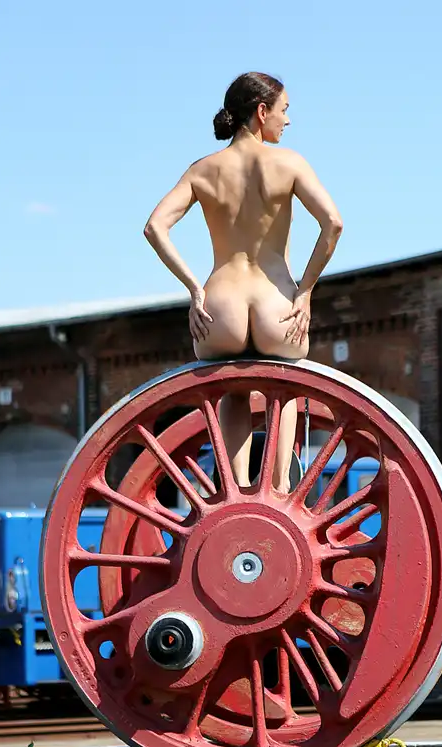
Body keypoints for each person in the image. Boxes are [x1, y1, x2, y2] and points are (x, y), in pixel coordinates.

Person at [144, 72, 343, 493]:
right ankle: (279, 487)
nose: (288, 121)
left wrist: (194, 288)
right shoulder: (289, 163)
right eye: (285, 110)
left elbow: (155, 227)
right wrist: (305, 290)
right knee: (285, 387)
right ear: (261, 111)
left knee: (232, 393)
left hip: (221, 309)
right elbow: (333, 224)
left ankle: (233, 490)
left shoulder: (203, 170)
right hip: (278, 305)